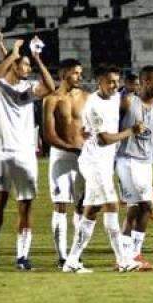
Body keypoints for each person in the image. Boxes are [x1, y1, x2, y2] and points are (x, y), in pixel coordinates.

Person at [63, 65, 145, 273]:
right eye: (110, 81)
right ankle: (123, 260)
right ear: (99, 81)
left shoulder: (116, 97)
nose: (114, 85)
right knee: (112, 205)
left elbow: (128, 94)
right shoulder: (93, 105)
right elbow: (104, 138)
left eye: (116, 81)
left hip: (104, 163)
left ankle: (72, 261)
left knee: (91, 211)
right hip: (94, 162)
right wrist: (131, 131)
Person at [0, 37, 55, 270]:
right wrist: (13, 53)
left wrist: (36, 58)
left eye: (28, 66)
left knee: (25, 205)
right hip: (0, 152)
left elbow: (51, 87)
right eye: (24, 65)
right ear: (14, 65)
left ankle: (22, 256)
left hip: (25, 153)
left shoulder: (28, 88)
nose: (27, 69)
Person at [116, 65, 153, 270]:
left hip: (146, 161)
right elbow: (112, 124)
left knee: (138, 208)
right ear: (145, 81)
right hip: (127, 159)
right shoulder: (129, 101)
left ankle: (131, 255)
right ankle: (129, 255)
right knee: (143, 206)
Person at [43, 58, 88, 268]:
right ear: (63, 75)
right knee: (61, 205)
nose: (80, 76)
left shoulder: (87, 98)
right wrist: (72, 149)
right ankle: (61, 256)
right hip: (61, 157)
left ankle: (75, 254)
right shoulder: (51, 100)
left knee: (81, 207)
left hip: (83, 158)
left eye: (80, 72)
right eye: (75, 73)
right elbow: (49, 135)